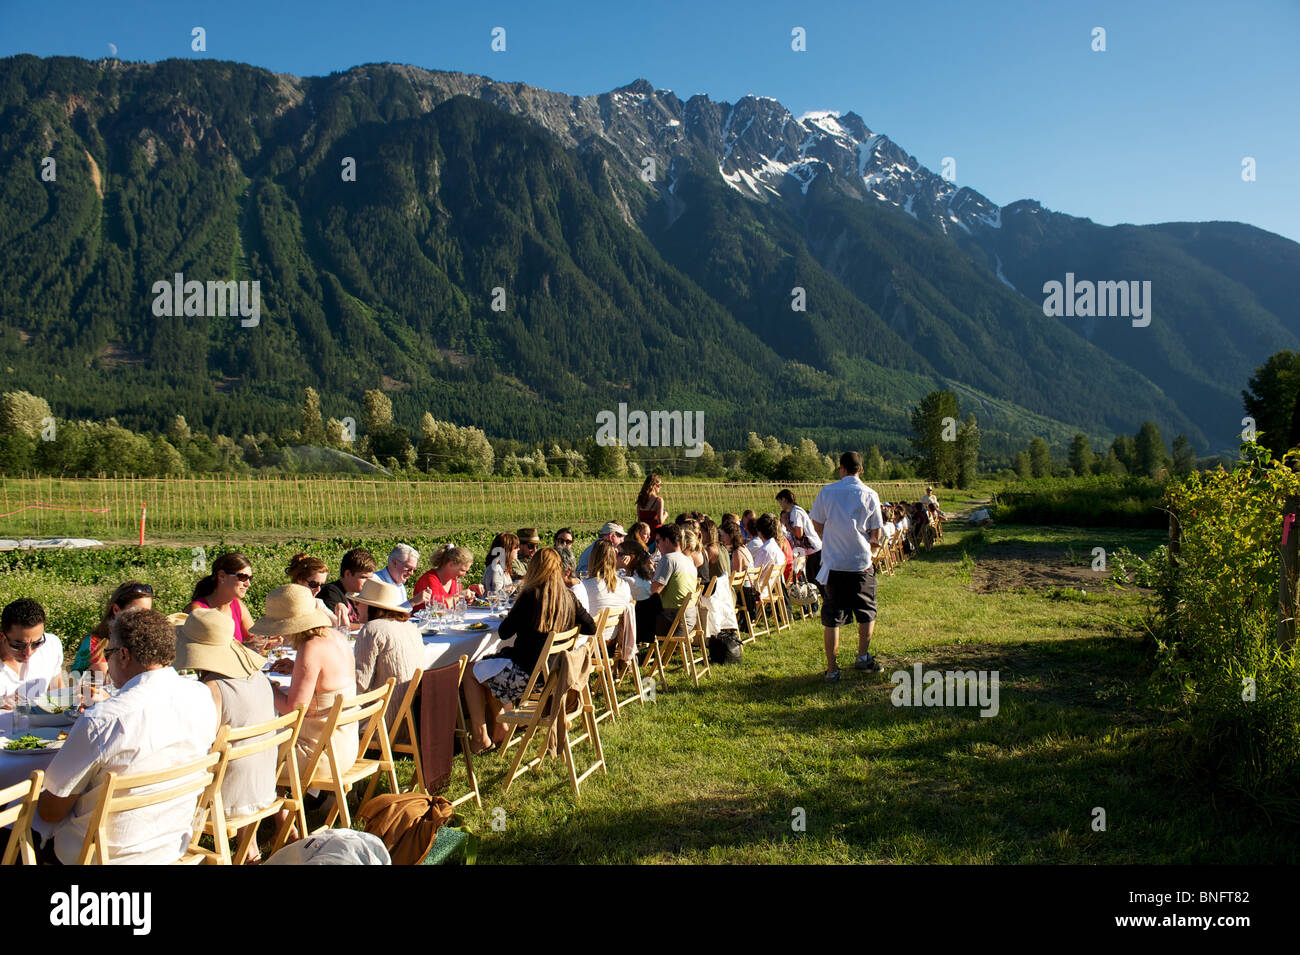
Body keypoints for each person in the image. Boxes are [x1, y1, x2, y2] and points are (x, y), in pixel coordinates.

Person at [36, 608, 218, 865]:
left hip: (100, 854)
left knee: (20, 828)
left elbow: (50, 812)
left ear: (123, 655)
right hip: (171, 843)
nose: (107, 665)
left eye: (108, 654)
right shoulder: (201, 696)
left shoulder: (103, 720)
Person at [462, 549, 595, 754]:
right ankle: (500, 729)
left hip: (527, 674)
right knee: (489, 666)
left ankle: (480, 737)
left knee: (471, 671)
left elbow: (505, 633)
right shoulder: (568, 597)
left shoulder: (530, 596)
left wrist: (514, 615)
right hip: (553, 674)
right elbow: (591, 628)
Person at [173, 607, 276, 864]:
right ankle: (249, 849)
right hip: (262, 788)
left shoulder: (212, 689)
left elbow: (199, 749)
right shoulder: (257, 678)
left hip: (223, 800)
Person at [256, 586, 358, 795]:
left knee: (252, 756)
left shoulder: (311, 647)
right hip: (345, 746)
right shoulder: (335, 637)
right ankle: (288, 819)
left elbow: (293, 708)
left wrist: (265, 686)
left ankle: (281, 819)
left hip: (319, 756)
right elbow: (328, 676)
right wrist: (296, 668)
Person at [809, 451, 884, 681]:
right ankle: (862, 657)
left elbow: (816, 523)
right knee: (866, 611)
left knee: (832, 616)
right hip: (860, 562)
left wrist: (829, 540)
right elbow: (877, 532)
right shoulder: (870, 494)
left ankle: (832, 669)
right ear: (860, 470)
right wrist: (869, 550)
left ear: (841, 468)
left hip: (834, 563)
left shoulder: (827, 491)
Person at [351, 579, 424, 729]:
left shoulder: (372, 629)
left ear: (372, 606)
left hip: (383, 717)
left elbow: (360, 683)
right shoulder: (410, 625)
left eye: (360, 601)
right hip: (409, 716)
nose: (356, 605)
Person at [69, 583, 154, 688]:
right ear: (116, 610)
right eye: (136, 613)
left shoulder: (142, 640)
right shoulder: (96, 643)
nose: (143, 620)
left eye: (147, 614)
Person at [1, 598, 64, 706]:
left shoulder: (51, 646)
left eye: (36, 643)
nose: (28, 652)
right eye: (19, 645)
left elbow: (58, 695)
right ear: (2, 636)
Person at [187, 552, 258, 648]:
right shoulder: (197, 610)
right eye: (243, 577)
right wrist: (246, 646)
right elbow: (200, 651)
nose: (248, 584)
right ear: (221, 576)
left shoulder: (237, 605)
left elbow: (253, 638)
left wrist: (267, 641)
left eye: (250, 578)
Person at [582, 540, 635, 661]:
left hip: (591, 646)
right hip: (612, 644)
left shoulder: (585, 586)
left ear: (592, 558)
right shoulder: (624, 585)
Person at [650, 523, 698, 636]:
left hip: (673, 622)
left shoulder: (668, 559)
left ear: (666, 541)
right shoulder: (688, 561)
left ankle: (623, 652)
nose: (657, 546)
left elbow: (654, 592)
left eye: (658, 541)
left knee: (632, 614)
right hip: (689, 620)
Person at [287, 553, 348, 628]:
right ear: (300, 579)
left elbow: (338, 626)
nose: (318, 590)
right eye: (313, 584)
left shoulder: (317, 603)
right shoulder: (284, 604)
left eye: (322, 585)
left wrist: (340, 610)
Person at [319, 548, 377, 626]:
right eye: (363, 577)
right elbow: (336, 624)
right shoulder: (330, 593)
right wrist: (367, 627)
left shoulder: (360, 594)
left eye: (370, 578)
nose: (368, 582)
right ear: (347, 573)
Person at [777, 489, 823, 585]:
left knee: (817, 582)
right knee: (813, 581)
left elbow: (799, 533)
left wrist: (787, 524)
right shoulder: (796, 510)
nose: (780, 505)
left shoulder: (796, 512)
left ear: (784, 500)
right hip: (812, 550)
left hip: (814, 550)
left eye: (780, 501)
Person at [412, 545, 475, 611]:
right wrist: (459, 596)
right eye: (462, 570)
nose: (464, 575)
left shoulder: (454, 580)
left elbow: (458, 608)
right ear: (451, 564)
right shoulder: (429, 579)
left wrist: (468, 598)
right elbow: (438, 608)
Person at [374, 545, 418, 611]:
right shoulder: (376, 581)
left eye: (414, 570)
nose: (411, 573)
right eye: (408, 568)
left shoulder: (400, 584)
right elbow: (383, 616)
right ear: (394, 563)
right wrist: (413, 601)